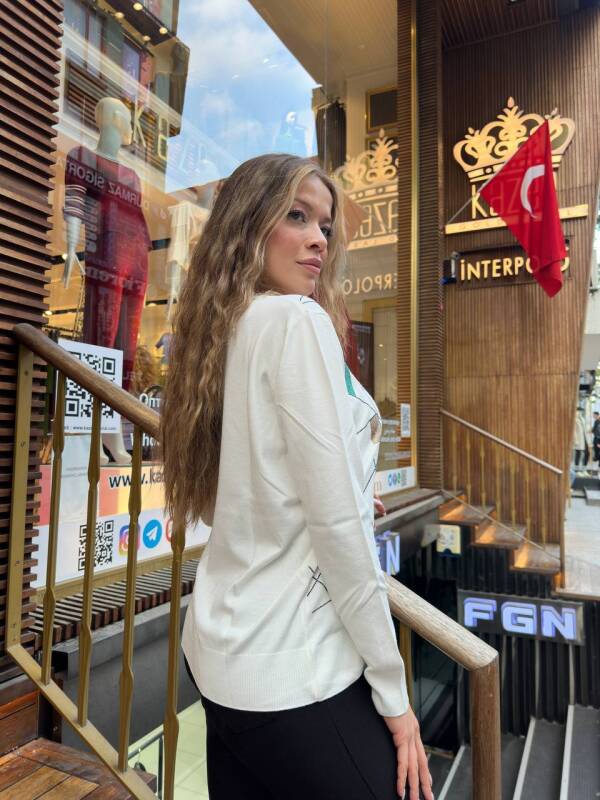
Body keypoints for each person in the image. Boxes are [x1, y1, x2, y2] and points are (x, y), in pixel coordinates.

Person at [160, 154, 432, 800]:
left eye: (325, 226)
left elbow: (251, 483)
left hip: (220, 657)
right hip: (294, 666)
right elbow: (340, 534)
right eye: (297, 216)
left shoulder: (223, 330)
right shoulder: (294, 321)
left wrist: (346, 478)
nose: (318, 240)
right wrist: (395, 697)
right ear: (249, 223)